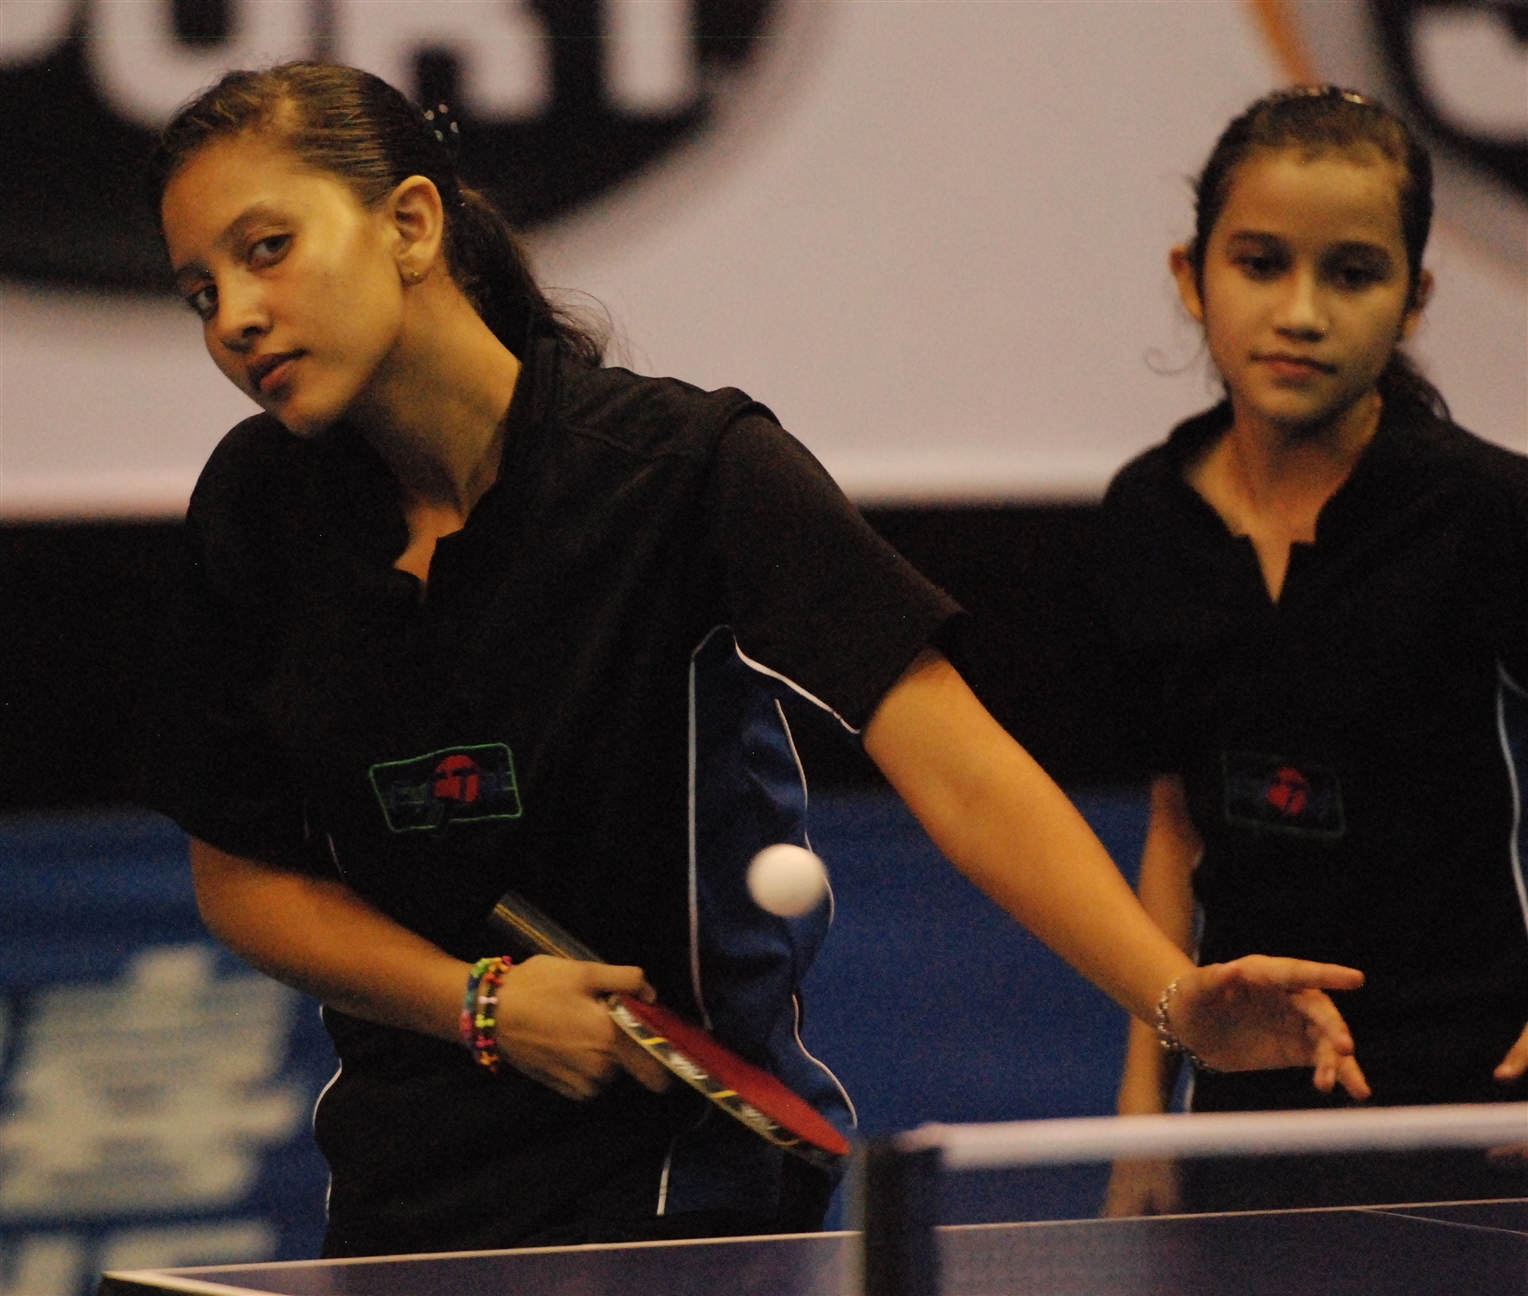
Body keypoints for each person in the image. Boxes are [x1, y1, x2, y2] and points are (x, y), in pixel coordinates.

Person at [143, 63, 1365, 1258]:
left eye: (267, 249)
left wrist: (1171, 995)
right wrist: (481, 1005)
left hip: (679, 1186)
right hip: (401, 1200)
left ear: (411, 223)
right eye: (200, 292)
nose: (235, 317)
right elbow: (246, 881)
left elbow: (955, 764)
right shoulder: (254, 517)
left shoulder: (683, 471)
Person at [1100, 86, 1528, 1217]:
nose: (1300, 312)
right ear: (1192, 276)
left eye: (1351, 273)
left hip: (1483, 1092)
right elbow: (1176, 827)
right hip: (1251, 1084)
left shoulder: (1486, 513)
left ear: (1413, 298)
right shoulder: (1145, 518)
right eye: (1260, 263)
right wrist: (1142, 1112)